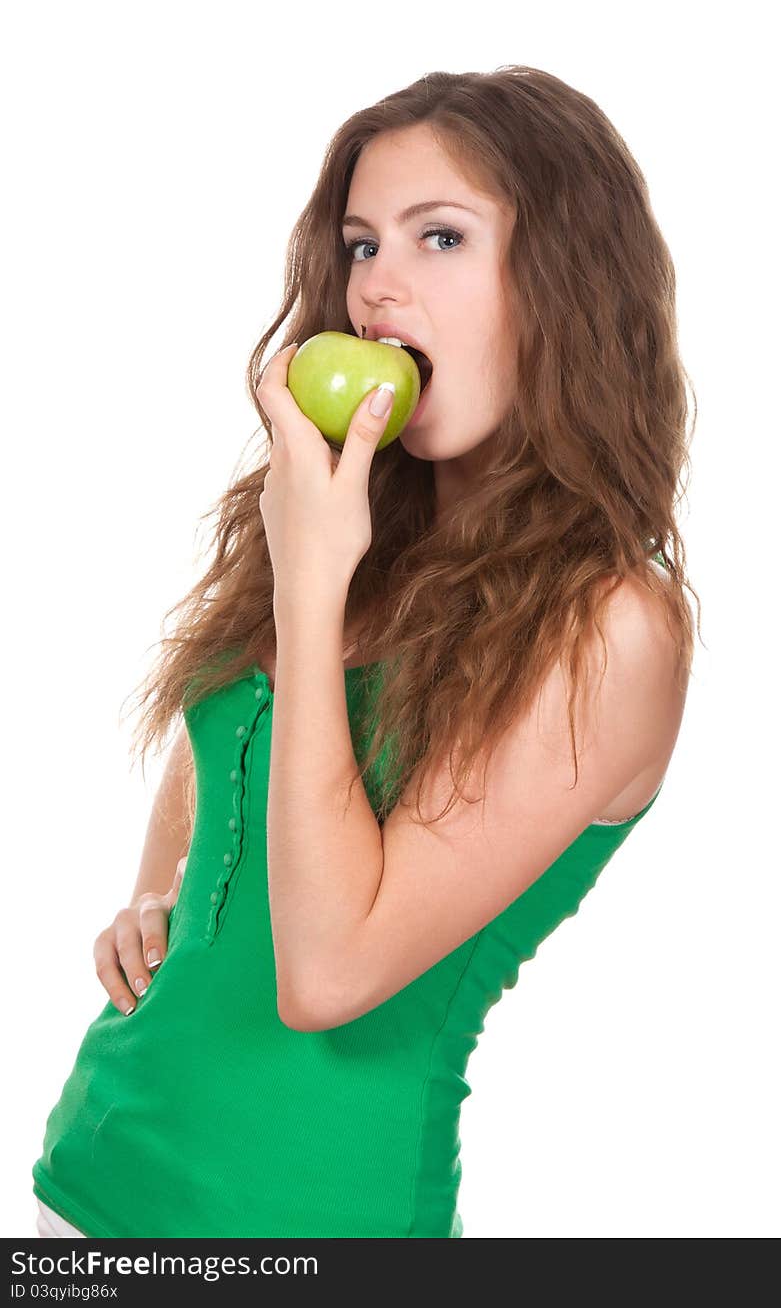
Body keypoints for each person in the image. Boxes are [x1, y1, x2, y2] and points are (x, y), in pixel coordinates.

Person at [32, 64, 698, 1239]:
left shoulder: (610, 626)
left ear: (564, 282)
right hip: (86, 1181)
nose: (378, 286)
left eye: (438, 237)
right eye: (359, 245)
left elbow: (329, 974)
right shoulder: (355, 527)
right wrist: (157, 888)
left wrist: (310, 585)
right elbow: (230, 725)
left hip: (300, 1225)